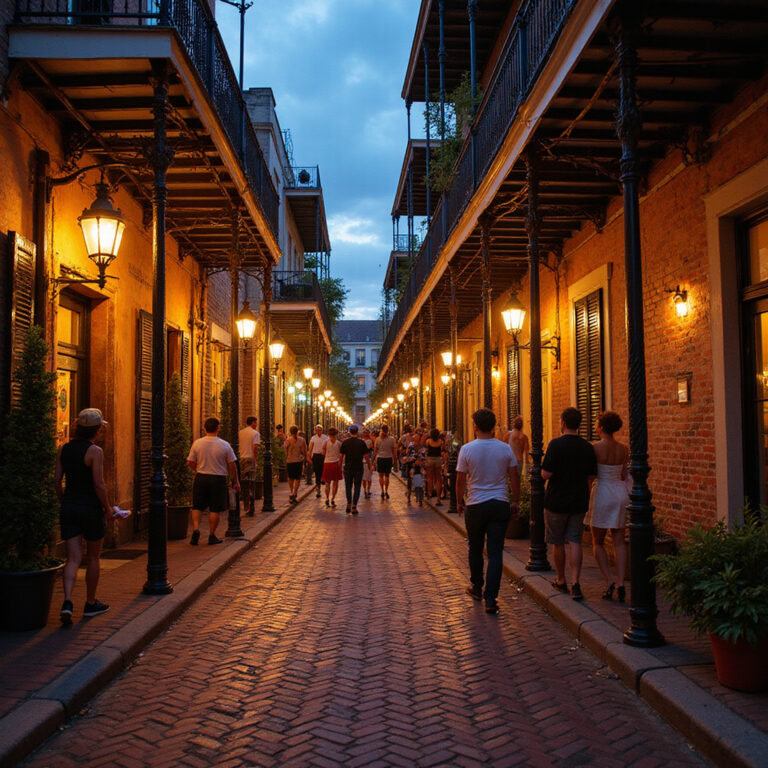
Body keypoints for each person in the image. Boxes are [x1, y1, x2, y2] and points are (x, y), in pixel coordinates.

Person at [456, 408, 519, 614]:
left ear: (475, 426)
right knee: (495, 552)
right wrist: (515, 501)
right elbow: (514, 477)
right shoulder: (505, 449)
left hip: (475, 504)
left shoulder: (467, 449)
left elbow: (460, 479)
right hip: (499, 503)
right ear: (493, 426)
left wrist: (459, 501)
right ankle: (491, 598)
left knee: (475, 548)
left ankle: (476, 587)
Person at [55, 408, 113, 624]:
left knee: (72, 558)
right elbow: (99, 484)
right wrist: (107, 508)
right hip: (90, 508)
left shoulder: (63, 449)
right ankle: (90, 603)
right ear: (97, 429)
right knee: (93, 557)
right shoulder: (94, 451)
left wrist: (64, 501)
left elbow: (56, 480)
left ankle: (67, 602)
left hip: (69, 506)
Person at [541, 407, 598, 600]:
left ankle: (560, 579)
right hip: (579, 499)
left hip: (556, 500)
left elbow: (546, 474)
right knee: (575, 540)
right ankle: (576, 582)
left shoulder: (555, 445)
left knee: (557, 542)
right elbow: (592, 475)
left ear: (563, 423)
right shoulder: (587, 446)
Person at [587, 411, 630, 602]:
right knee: (619, 541)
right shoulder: (623, 449)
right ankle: (621, 583)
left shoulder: (594, 448)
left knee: (598, 541)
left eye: (597, 424)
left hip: (603, 491)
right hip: (620, 493)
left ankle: (609, 580)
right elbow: (623, 475)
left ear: (602, 427)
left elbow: (590, 476)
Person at [187, 417, 240, 546]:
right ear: (218, 428)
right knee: (215, 508)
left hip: (201, 477)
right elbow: (232, 465)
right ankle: (211, 535)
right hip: (218, 478)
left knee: (197, 506)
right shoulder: (224, 444)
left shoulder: (197, 443)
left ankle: (195, 529)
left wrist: (197, 469)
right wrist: (236, 481)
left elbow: (190, 462)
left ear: (205, 429)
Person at [340, 425, 373, 514]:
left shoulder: (345, 443)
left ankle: (348, 503)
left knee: (348, 486)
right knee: (357, 486)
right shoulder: (361, 443)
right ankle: (354, 506)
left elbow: (341, 456)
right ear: (357, 432)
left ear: (350, 432)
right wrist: (370, 465)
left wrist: (339, 466)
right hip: (358, 467)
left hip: (348, 467)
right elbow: (366, 456)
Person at [238, 416, 258, 515]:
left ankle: (246, 506)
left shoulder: (240, 433)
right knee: (251, 483)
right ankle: (251, 507)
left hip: (241, 459)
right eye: (256, 423)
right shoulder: (255, 433)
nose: (256, 425)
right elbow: (255, 448)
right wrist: (256, 460)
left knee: (244, 484)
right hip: (250, 459)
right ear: (253, 423)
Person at [373, 424, 397, 499]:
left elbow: (375, 450)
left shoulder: (378, 439)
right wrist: (395, 459)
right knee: (387, 476)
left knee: (380, 476)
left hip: (380, 458)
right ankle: (386, 491)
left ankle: (382, 491)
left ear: (381, 430)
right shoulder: (392, 439)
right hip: (388, 458)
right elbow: (394, 450)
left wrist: (374, 459)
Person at [284, 425, 307, 503]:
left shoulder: (287, 440)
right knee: (297, 478)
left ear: (290, 432)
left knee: (290, 478)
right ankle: (295, 492)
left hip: (290, 461)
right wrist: (305, 459)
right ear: (297, 431)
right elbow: (304, 451)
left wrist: (286, 458)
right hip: (298, 461)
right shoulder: (302, 440)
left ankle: (291, 491)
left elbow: (285, 452)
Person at [321, 427, 342, 507]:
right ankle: (332, 499)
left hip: (327, 464)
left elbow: (322, 453)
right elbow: (341, 455)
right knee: (335, 483)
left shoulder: (326, 442)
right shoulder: (339, 443)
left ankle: (326, 498)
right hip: (336, 464)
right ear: (336, 434)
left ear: (329, 434)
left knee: (327, 483)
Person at [424, 428, 444, 505]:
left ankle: (429, 493)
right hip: (438, 460)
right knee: (438, 479)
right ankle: (438, 498)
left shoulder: (428, 441)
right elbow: (442, 450)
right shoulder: (440, 442)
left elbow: (426, 450)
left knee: (430, 478)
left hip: (430, 460)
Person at [308, 424, 328, 498]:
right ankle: (318, 490)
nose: (318, 431)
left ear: (322, 430)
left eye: (319, 429)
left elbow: (327, 448)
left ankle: (323, 482)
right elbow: (310, 449)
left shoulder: (325, 438)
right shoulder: (313, 438)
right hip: (316, 457)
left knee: (323, 472)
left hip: (323, 457)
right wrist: (309, 458)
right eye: (317, 430)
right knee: (317, 474)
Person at [361, 428, 375, 498]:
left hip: (364, 461)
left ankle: (366, 490)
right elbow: (370, 449)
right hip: (367, 460)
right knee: (368, 477)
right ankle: (367, 490)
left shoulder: (362, 441)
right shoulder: (368, 441)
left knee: (365, 477)